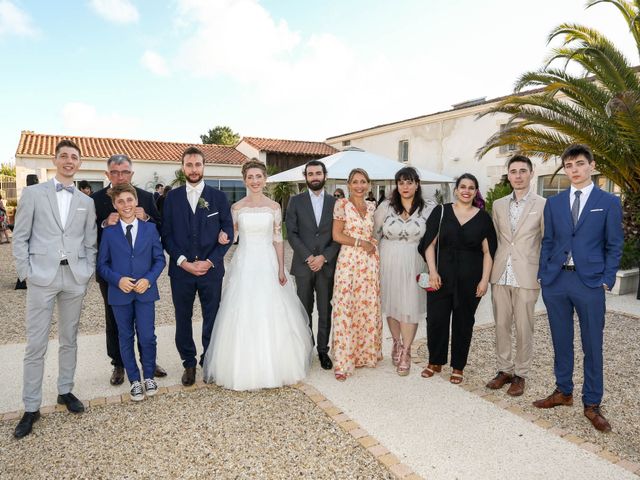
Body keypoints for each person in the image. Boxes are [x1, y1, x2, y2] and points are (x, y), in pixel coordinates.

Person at [533, 144, 623, 433]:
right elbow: (548, 242)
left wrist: (607, 278)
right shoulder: (555, 203)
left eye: (580, 164)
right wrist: (543, 274)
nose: (574, 170)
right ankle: (564, 391)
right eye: (569, 165)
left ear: (591, 166)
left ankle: (592, 403)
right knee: (561, 340)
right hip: (557, 281)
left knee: (592, 345)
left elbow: (614, 244)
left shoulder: (607, 201)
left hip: (590, 282)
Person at [12, 140, 97, 438]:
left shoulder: (87, 202)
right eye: (64, 156)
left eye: (74, 157)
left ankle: (65, 390)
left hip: (74, 278)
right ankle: (31, 406)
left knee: (69, 338)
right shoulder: (34, 194)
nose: (69, 161)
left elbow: (90, 241)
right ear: (55, 159)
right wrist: (26, 273)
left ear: (79, 163)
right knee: (35, 344)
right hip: (41, 278)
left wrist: (87, 271)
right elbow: (19, 236)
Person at [203, 160, 312, 390]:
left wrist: (281, 268)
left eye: (258, 177)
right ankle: (241, 368)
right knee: (242, 310)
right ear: (244, 180)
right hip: (244, 263)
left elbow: (277, 239)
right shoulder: (236, 208)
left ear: (265, 179)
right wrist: (222, 237)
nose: (254, 181)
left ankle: (275, 366)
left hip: (267, 263)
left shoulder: (274, 207)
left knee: (270, 310)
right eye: (250, 177)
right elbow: (231, 236)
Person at [162, 147, 234, 386]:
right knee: (182, 318)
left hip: (211, 271)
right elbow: (167, 235)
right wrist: (183, 262)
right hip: (181, 272)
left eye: (198, 165)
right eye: (189, 165)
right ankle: (189, 363)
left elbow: (228, 232)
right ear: (183, 167)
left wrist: (210, 261)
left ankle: (209, 360)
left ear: (204, 167)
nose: (194, 169)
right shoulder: (171, 198)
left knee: (211, 317)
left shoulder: (219, 197)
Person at [92, 154, 165, 386]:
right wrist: (104, 224)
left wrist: (149, 217)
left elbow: (160, 228)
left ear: (132, 174)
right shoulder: (95, 199)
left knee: (145, 327)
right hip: (114, 273)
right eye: (114, 172)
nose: (120, 176)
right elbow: (86, 233)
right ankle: (119, 364)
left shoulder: (145, 197)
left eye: (124, 172)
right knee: (115, 322)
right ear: (107, 174)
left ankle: (148, 364)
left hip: (143, 272)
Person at [418, 173, 496, 384]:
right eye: (463, 186)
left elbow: (488, 252)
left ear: (475, 191)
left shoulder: (483, 218)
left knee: (464, 323)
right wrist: (432, 271)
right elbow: (429, 245)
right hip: (440, 278)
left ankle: (458, 366)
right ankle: (435, 361)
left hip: (470, 280)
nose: (466, 190)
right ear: (456, 190)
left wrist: (484, 280)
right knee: (436, 320)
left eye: (471, 187)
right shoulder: (441, 211)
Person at [486, 155, 545, 396]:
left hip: (527, 275)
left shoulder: (543, 204)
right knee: (501, 325)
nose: (518, 175)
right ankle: (504, 369)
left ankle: (521, 373)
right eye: (513, 171)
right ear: (508, 175)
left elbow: (547, 240)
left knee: (524, 327)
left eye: (523, 171)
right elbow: (496, 240)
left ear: (531, 173)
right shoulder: (498, 205)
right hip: (500, 274)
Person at [374, 167, 434, 376]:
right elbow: (373, 234)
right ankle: (396, 343)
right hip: (388, 260)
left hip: (415, 261)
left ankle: (407, 350)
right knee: (392, 305)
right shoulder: (386, 206)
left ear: (417, 184)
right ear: (396, 185)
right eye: (401, 182)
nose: (405, 187)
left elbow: (436, 240)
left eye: (409, 182)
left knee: (409, 305)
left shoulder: (429, 208)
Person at [286, 160, 340, 370]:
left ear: (325, 175)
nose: (315, 177)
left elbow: (338, 236)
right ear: (306, 177)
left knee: (325, 309)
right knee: (303, 310)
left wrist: (324, 257)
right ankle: (305, 349)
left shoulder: (335, 203)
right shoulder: (295, 201)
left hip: (326, 265)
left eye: (318, 173)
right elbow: (291, 233)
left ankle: (323, 351)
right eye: (311, 174)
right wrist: (309, 257)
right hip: (303, 265)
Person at [331, 168, 382, 381]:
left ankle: (364, 354)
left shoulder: (372, 206)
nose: (359, 185)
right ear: (349, 185)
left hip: (369, 263)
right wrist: (362, 243)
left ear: (368, 184)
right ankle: (343, 361)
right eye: (355, 182)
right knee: (345, 307)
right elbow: (337, 235)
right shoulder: (341, 205)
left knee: (366, 306)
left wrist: (372, 243)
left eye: (363, 182)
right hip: (348, 261)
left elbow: (373, 232)